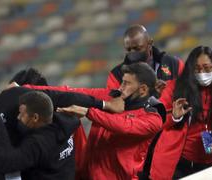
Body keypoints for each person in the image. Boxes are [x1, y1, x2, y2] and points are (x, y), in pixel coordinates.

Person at [27, 63, 165, 179]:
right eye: (122, 81)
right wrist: (26, 89)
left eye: (126, 83)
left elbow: (123, 126)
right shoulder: (110, 97)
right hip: (88, 175)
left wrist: (89, 111)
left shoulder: (152, 119)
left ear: (143, 89)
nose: (120, 87)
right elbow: (70, 92)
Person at [150, 46, 212, 179]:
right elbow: (154, 120)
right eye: (197, 69)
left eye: (207, 68)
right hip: (180, 164)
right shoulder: (175, 88)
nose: (202, 73)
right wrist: (174, 117)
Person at [0, 91, 80, 180]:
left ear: (35, 117)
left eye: (21, 114)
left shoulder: (38, 143)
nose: (18, 117)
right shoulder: (66, 124)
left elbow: (6, 163)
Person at [107, 24, 184, 94]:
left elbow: (188, 94)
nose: (133, 53)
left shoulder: (174, 64)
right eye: (128, 50)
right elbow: (115, 105)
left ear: (150, 43)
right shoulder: (116, 75)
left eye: (137, 48)